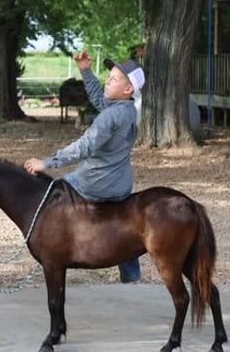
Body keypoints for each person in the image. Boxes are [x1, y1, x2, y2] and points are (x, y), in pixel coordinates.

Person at [23, 50, 145, 283]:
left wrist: (46, 163)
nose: (108, 80)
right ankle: (132, 276)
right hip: (121, 184)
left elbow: (83, 148)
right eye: (109, 76)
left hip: (96, 182)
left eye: (114, 79)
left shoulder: (109, 118)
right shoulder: (127, 109)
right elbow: (101, 100)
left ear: (128, 90)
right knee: (127, 222)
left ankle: (56, 245)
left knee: (53, 191)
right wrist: (85, 70)